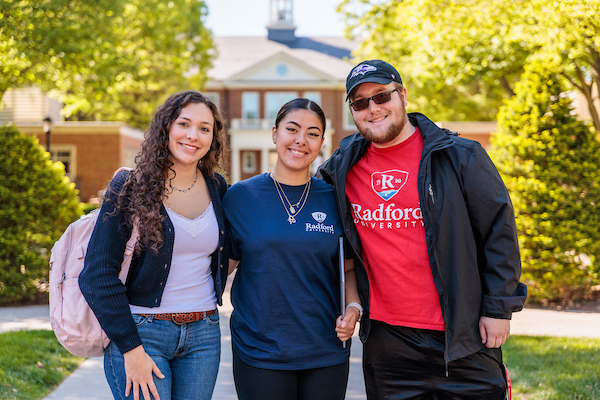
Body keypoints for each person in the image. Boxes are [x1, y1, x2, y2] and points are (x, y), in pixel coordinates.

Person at [317, 60, 528, 399]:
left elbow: (498, 233)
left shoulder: (459, 156)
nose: (373, 109)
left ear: (402, 95)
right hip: (389, 345)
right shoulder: (341, 170)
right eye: (360, 102)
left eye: (382, 96)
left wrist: (498, 309)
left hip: (464, 336)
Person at [79, 90, 229, 400]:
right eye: (184, 124)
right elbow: (97, 273)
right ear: (166, 128)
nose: (193, 135)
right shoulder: (130, 187)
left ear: (213, 139)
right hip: (143, 332)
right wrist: (130, 349)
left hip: (204, 334)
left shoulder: (217, 187)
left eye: (204, 128)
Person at [223, 98, 362, 400]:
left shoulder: (336, 199)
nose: (301, 140)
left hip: (326, 348)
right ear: (274, 133)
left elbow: (347, 267)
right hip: (259, 351)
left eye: (312, 133)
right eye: (292, 129)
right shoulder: (240, 197)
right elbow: (222, 268)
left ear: (322, 142)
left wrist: (353, 309)